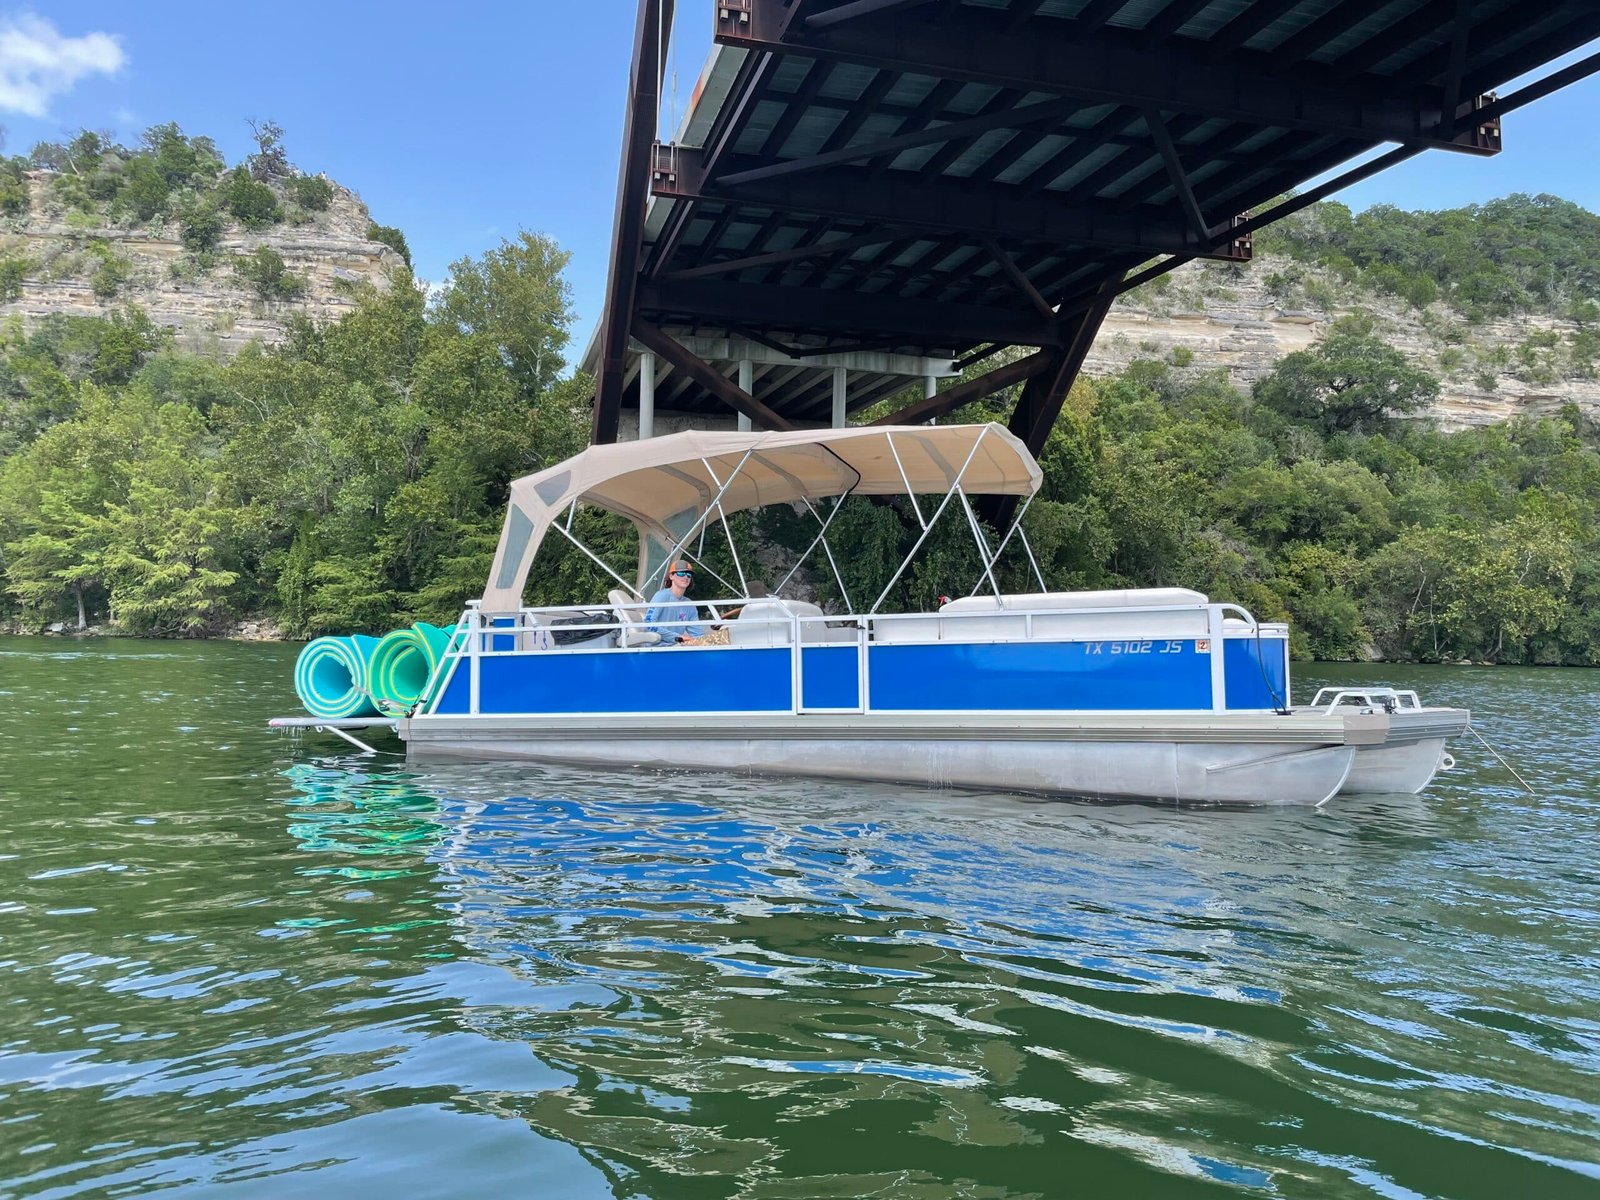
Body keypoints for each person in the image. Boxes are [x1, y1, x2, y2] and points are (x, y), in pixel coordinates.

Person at [644, 561, 707, 644]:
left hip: (676, 647)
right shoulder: (661, 596)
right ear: (671, 576)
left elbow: (697, 634)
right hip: (658, 648)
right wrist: (677, 637)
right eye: (681, 573)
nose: (686, 577)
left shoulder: (689, 604)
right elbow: (648, 625)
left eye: (689, 575)